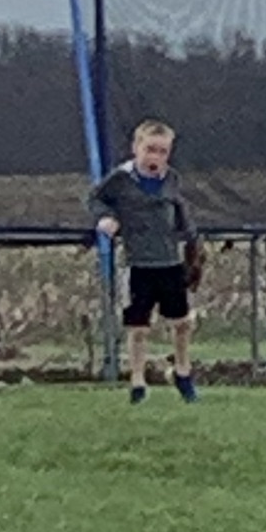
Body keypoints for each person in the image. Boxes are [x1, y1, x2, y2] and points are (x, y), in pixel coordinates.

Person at [91, 118, 199, 404]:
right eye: (150, 150)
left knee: (182, 322)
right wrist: (106, 218)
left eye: (163, 152)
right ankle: (138, 382)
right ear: (136, 148)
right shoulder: (121, 180)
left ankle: (182, 371)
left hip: (169, 262)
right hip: (137, 264)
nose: (156, 157)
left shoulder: (171, 179)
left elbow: (179, 210)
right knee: (138, 327)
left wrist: (191, 240)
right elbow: (96, 199)